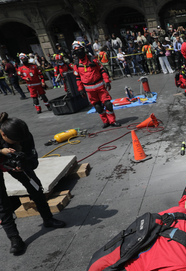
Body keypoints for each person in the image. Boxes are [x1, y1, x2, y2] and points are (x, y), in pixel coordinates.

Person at [0, 113, 66, 255]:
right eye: (13, 141)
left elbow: (33, 160)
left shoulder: (24, 135)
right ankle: (15, 239)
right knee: (2, 204)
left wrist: (23, 164)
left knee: (36, 187)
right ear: (3, 135)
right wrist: (1, 152)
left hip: (14, 164)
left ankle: (48, 219)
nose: (16, 142)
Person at [71, 41, 121, 128]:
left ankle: (112, 121)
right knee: (98, 107)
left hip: (100, 87)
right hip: (90, 91)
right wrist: (81, 89)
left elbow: (102, 70)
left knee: (108, 104)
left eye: (80, 50)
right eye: (77, 51)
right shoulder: (76, 64)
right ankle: (105, 121)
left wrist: (107, 81)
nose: (79, 53)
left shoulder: (92, 59)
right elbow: (78, 78)